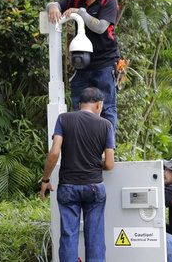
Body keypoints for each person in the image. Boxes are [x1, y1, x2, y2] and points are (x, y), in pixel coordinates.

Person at [40, 87, 115, 262]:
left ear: (79, 104)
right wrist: (99, 163)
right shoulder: (106, 125)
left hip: (68, 187)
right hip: (94, 186)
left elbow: (54, 153)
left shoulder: (63, 119)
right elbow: (110, 164)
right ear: (99, 104)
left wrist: (46, 179)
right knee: (95, 237)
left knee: (68, 236)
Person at [47, 0, 120, 132]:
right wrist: (53, 8)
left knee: (106, 107)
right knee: (78, 107)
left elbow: (101, 27)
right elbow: (55, 3)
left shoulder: (108, 2)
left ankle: (107, 150)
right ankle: (82, 147)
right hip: (83, 63)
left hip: (104, 63)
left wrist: (80, 13)